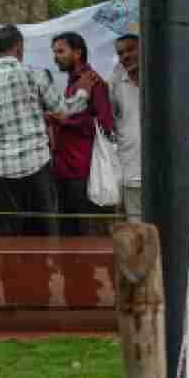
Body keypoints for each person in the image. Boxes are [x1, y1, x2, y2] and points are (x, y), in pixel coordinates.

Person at [0, 24, 88, 237]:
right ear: (18, 48)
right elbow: (63, 111)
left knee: (10, 237)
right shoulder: (36, 76)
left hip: (2, 171)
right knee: (45, 234)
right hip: (37, 167)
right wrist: (83, 93)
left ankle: (14, 271)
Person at [50, 31, 116, 236]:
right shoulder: (71, 83)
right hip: (64, 166)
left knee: (82, 231)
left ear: (77, 53)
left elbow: (106, 123)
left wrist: (67, 120)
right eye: (54, 52)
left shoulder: (94, 82)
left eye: (61, 51)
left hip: (82, 169)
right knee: (67, 229)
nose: (55, 57)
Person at [108, 31, 144, 222]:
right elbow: (111, 119)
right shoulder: (116, 80)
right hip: (131, 171)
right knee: (136, 229)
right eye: (120, 53)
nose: (125, 57)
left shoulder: (163, 77)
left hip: (161, 173)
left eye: (130, 50)